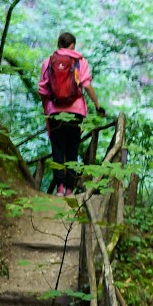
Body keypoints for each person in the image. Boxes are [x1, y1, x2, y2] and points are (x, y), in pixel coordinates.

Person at [37, 31, 107, 195]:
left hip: (54, 111)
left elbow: (42, 89)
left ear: (58, 44)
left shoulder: (48, 62)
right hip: (75, 112)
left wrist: (46, 108)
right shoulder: (80, 62)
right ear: (73, 45)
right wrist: (97, 105)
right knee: (72, 149)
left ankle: (59, 188)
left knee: (58, 148)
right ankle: (70, 188)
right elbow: (87, 85)